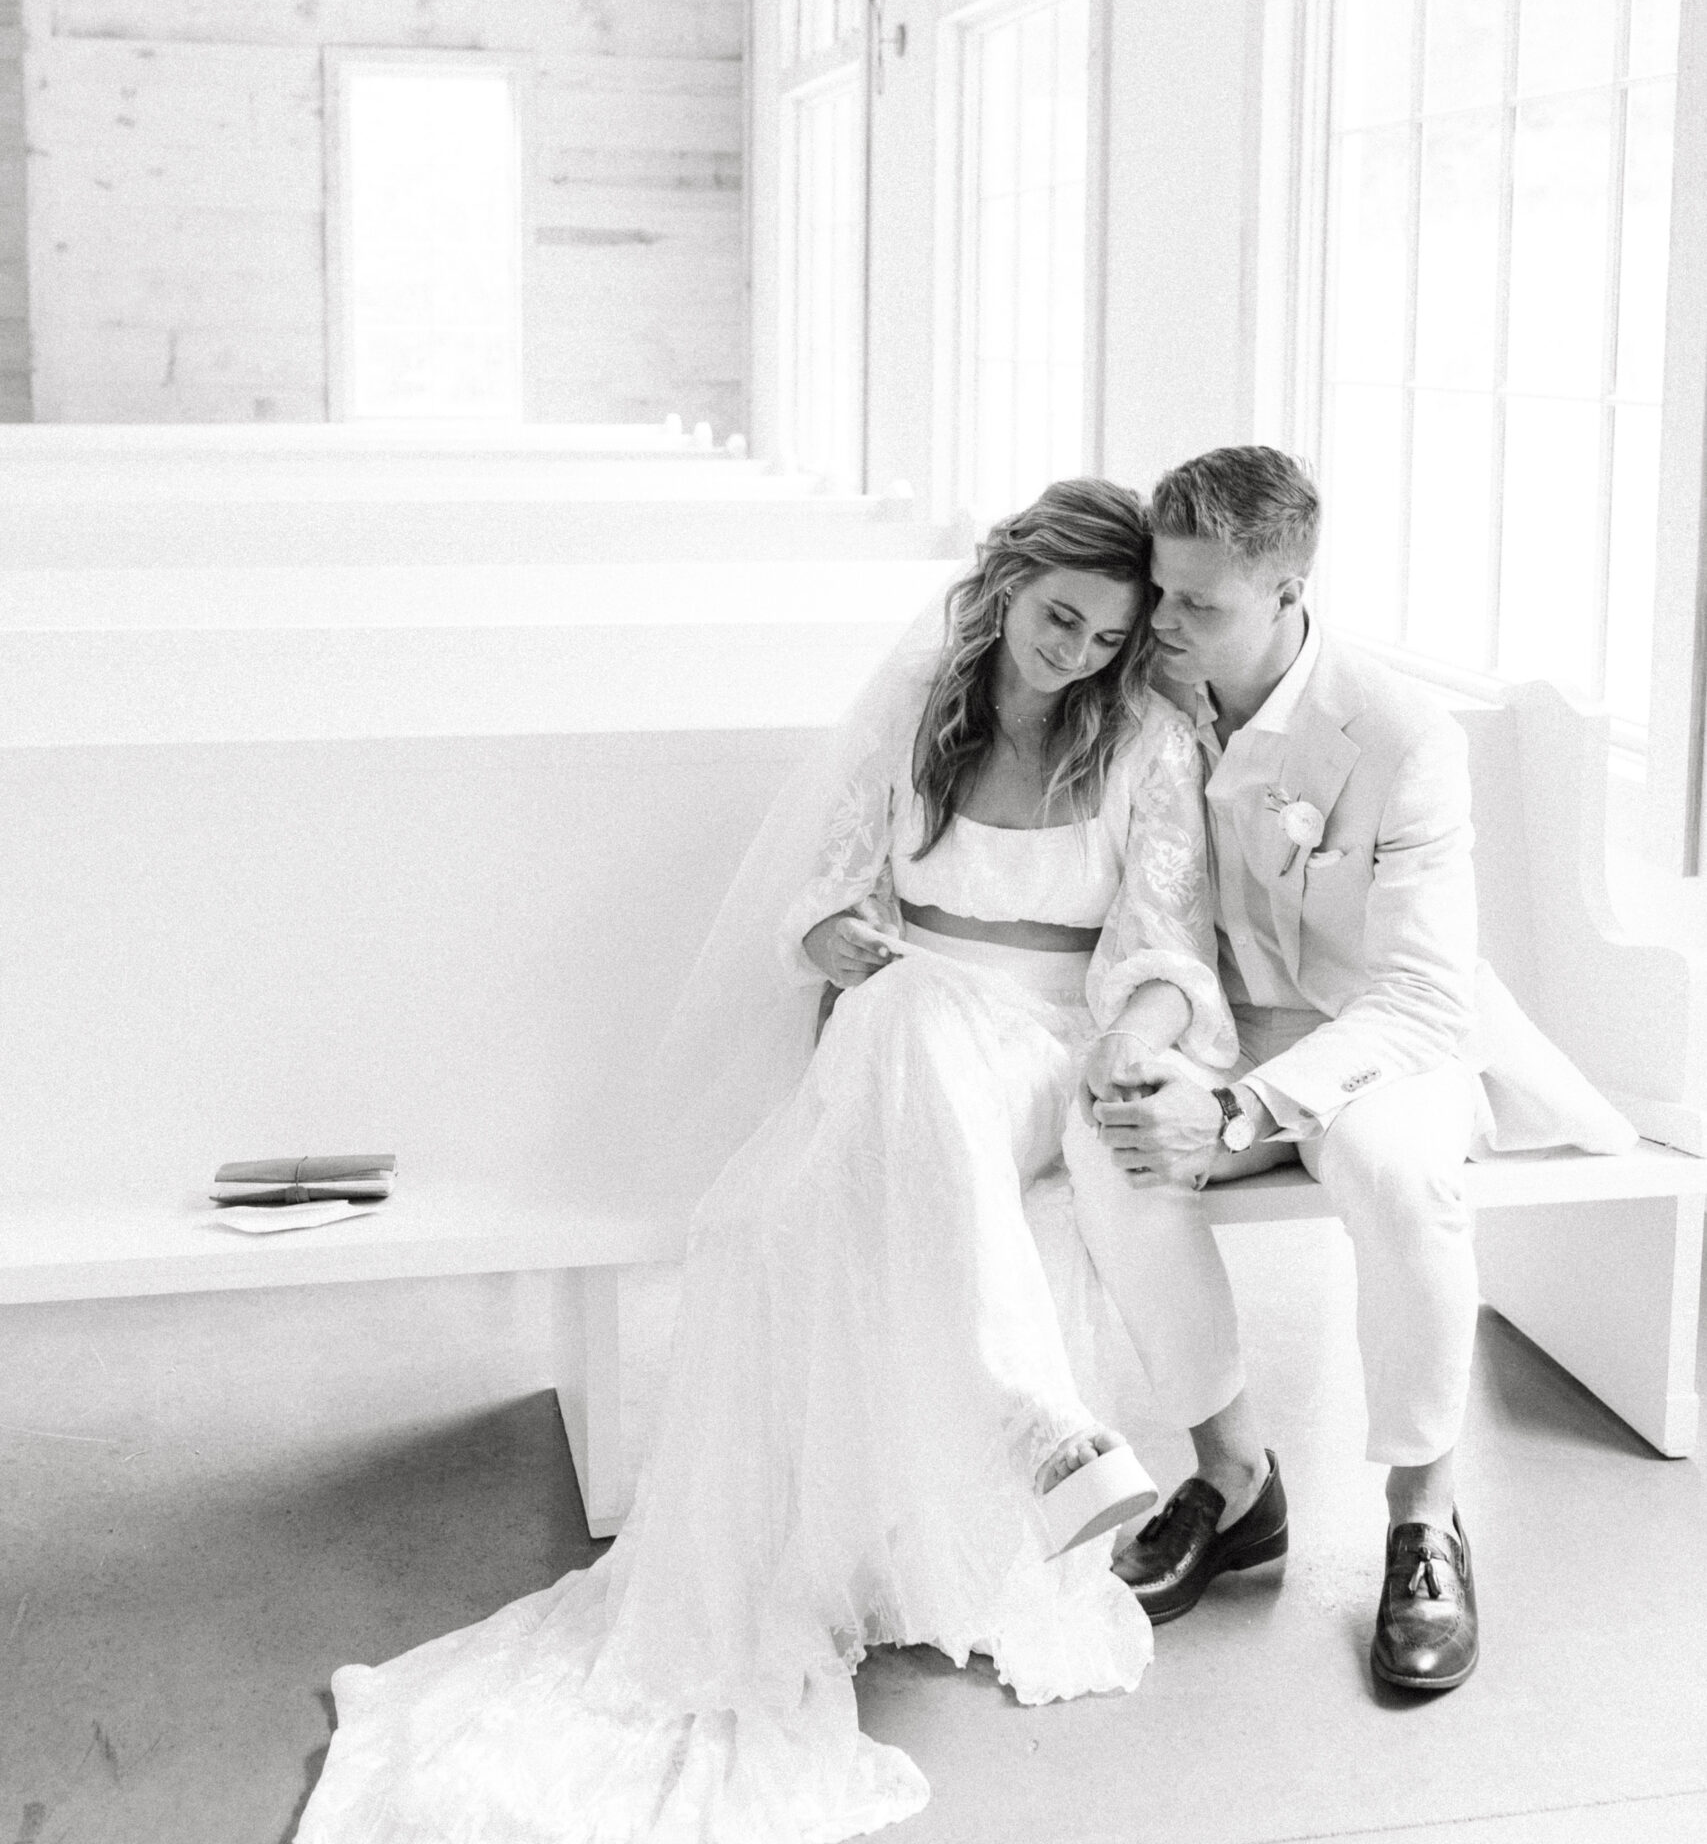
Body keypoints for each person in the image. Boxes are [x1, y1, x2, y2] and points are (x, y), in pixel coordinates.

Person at [296, 477, 1238, 1843]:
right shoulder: (924, 716)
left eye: (1104, 637)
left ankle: (1029, 1419)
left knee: (902, 1027)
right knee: (855, 1074)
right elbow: (824, 891)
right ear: (1006, 586)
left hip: (1039, 1052)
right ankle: (1025, 1418)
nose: (1076, 655)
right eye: (1056, 620)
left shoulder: (1144, 743)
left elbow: (1164, 945)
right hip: (899, 1040)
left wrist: (1130, 1043)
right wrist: (826, 943)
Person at [1064, 445, 1636, 1696]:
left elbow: (1426, 993)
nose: (1160, 622)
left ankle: (1424, 1515)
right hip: (1220, 1023)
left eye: (1196, 604)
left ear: (1287, 591)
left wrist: (1242, 1109)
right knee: (1109, 1143)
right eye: (1159, 591)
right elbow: (1155, 900)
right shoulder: (1152, 695)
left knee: (1394, 1167)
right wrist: (1162, 1055)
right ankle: (1233, 1476)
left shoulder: (1399, 734)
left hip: (1385, 1038)